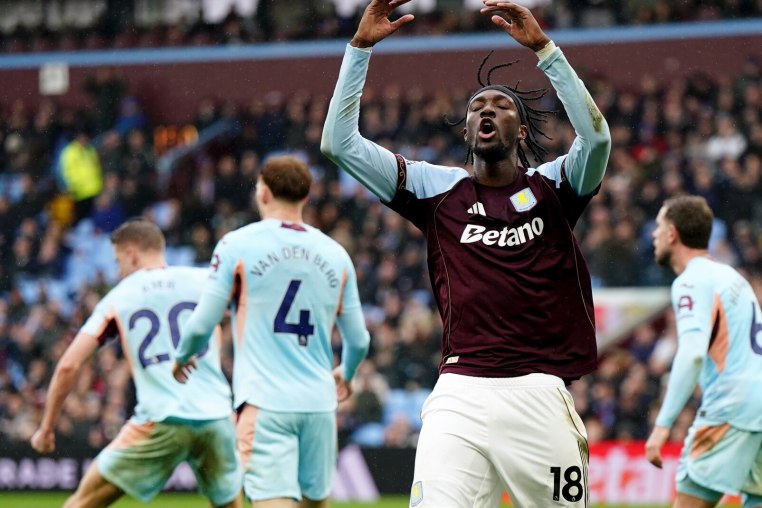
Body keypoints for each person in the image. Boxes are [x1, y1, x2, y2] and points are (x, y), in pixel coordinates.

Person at [321, 1, 611, 506]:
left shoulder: (554, 187)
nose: (486, 111)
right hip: (460, 393)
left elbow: (598, 137)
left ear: (521, 132)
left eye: (500, 106)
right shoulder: (438, 191)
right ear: (465, 131)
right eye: (477, 107)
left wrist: (545, 51)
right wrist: (359, 49)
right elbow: (339, 144)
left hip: (539, 393)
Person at [172, 155, 371, 508]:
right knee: (315, 502)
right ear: (306, 197)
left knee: (270, 501)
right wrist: (348, 373)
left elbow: (203, 322)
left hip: (266, 401)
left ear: (262, 193)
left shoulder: (237, 244)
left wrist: (182, 355)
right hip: (319, 404)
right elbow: (359, 339)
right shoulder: (335, 254)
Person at [30, 219, 242, 508]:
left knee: (82, 503)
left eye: (118, 262)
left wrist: (46, 428)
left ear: (132, 253)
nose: (118, 271)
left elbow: (69, 365)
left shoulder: (121, 296)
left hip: (161, 418)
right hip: (216, 417)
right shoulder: (205, 281)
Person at [645, 195, 762, 508]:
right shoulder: (734, 278)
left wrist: (662, 425)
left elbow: (693, 353)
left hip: (731, 406)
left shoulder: (691, 281)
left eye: (658, 226)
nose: (654, 235)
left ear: (672, 234)